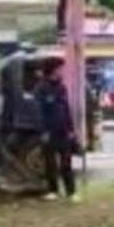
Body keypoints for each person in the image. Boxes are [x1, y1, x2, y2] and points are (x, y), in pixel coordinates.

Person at [36, 59, 79, 202]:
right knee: (50, 162)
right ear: (53, 69)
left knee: (66, 162)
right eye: (60, 68)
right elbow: (39, 112)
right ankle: (52, 190)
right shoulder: (41, 88)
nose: (62, 71)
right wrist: (43, 131)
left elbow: (66, 109)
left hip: (63, 131)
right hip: (49, 131)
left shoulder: (61, 87)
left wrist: (71, 129)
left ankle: (71, 192)